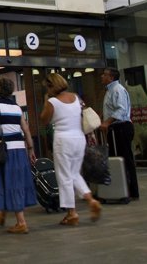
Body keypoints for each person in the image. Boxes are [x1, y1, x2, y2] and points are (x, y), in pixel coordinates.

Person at [40, 73, 102, 225]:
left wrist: (45, 101)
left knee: (64, 176)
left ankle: (72, 213)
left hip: (63, 140)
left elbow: (44, 120)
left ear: (50, 86)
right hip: (79, 138)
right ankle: (90, 199)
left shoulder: (52, 101)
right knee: (74, 173)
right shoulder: (76, 98)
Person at [0, 77, 37, 234]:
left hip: (4, 149)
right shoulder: (16, 107)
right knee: (11, 181)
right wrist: (30, 149)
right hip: (19, 149)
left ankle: (21, 222)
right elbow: (26, 130)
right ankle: (3, 212)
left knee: (9, 181)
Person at [100, 67, 140, 200]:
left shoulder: (117, 89)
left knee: (125, 159)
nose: (101, 76)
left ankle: (132, 191)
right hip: (115, 128)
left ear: (111, 77)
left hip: (122, 127)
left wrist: (107, 122)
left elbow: (121, 109)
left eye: (104, 75)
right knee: (116, 159)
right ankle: (121, 189)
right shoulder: (110, 90)